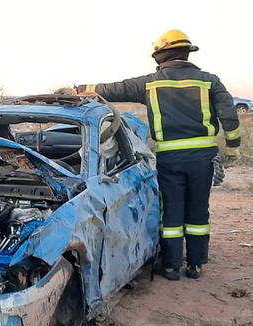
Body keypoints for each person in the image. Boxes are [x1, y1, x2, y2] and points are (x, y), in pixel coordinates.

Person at [73, 29, 241, 281]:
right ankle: (195, 265)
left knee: (172, 210)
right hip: (202, 158)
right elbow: (228, 112)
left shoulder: (149, 83)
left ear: (160, 56)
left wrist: (80, 89)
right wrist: (233, 143)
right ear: (187, 52)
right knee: (198, 210)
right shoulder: (209, 80)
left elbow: (112, 89)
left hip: (170, 158)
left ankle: (172, 267)